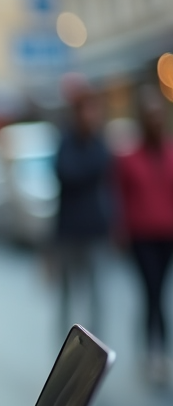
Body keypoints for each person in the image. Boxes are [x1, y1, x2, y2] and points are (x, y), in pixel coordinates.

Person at [114, 87, 173, 384]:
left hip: (167, 234)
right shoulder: (128, 158)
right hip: (141, 235)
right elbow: (119, 196)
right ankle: (154, 351)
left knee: (159, 292)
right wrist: (120, 230)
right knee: (152, 292)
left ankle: (157, 349)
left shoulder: (170, 153)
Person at [53, 91, 112, 335]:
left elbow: (105, 171)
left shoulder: (99, 143)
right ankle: (65, 346)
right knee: (67, 292)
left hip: (95, 229)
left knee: (96, 290)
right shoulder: (67, 142)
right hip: (69, 230)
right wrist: (90, 168)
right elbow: (66, 173)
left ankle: (96, 346)